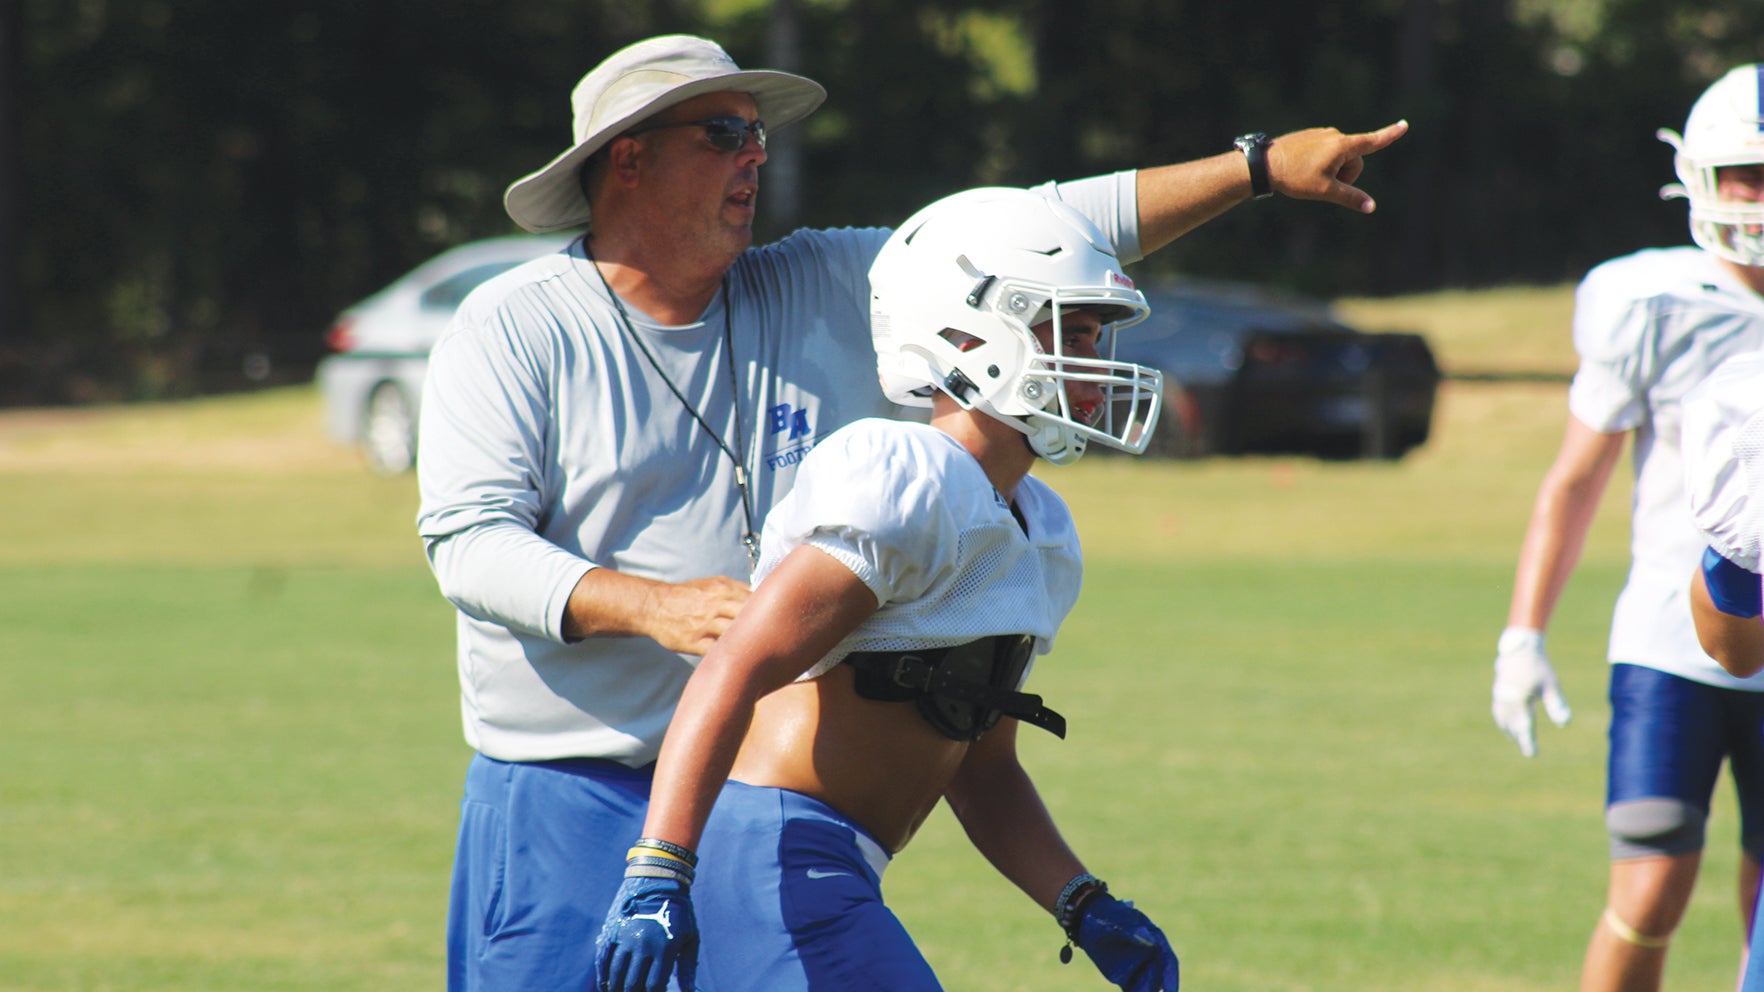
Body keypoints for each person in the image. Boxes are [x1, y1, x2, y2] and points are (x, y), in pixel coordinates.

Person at [417, 32, 1406, 992]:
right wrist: (652, 606)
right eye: (724, 134)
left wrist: (1259, 168)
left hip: (749, 774)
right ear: (628, 160)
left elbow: (1035, 228)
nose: (755, 153)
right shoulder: (516, 323)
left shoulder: (810, 280)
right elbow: (468, 544)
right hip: (568, 784)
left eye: (759, 133)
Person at [595, 187, 1177, 992]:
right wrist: (658, 870)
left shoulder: (1039, 530)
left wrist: (1079, 901)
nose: (1097, 364)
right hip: (772, 858)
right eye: (1072, 334)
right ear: (975, 334)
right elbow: (733, 666)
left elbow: (978, 765)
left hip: (834, 866)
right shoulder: (911, 479)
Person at [1488, 63, 1764, 992]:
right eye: (1745, 175)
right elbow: (1574, 485)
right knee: (1648, 892)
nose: (1760, 200)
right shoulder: (1647, 302)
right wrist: (1523, 635)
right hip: (1669, 639)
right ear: (1698, 177)